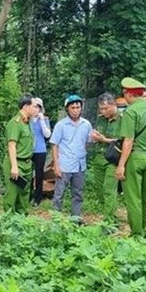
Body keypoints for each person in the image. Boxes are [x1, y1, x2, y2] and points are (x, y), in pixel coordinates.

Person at [114, 78, 146, 237]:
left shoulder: (131, 112)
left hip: (135, 157)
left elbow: (128, 141)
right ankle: (145, 228)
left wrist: (121, 165)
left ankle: (136, 234)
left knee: (133, 197)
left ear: (129, 94)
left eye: (124, 94)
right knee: (145, 195)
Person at [50, 94, 92, 223]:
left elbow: (88, 141)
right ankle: (56, 219)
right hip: (64, 165)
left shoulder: (86, 124)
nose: (75, 110)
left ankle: (75, 219)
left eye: (78, 107)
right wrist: (56, 165)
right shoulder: (61, 125)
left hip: (80, 165)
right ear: (67, 109)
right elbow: (54, 145)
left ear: (81, 108)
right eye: (72, 108)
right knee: (59, 194)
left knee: (78, 193)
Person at [90, 93, 123, 228]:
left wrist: (104, 140)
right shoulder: (100, 119)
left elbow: (123, 141)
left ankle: (108, 222)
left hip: (113, 159)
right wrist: (95, 137)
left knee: (109, 189)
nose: (103, 111)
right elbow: (98, 135)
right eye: (101, 109)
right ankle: (110, 215)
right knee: (100, 190)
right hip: (99, 157)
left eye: (106, 108)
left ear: (114, 104)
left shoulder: (123, 119)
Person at [3, 94, 38, 214]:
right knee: (12, 194)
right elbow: (11, 145)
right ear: (25, 106)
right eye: (34, 106)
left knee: (24, 195)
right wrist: (14, 166)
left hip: (27, 164)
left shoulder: (27, 123)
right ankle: (8, 221)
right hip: (16, 163)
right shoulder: (15, 123)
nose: (36, 109)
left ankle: (21, 219)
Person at [29, 97, 51, 206]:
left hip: (40, 150)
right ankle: (27, 196)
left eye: (38, 107)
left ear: (41, 109)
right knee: (28, 173)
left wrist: (42, 120)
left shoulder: (44, 119)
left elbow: (47, 135)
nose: (36, 109)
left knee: (39, 174)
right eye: (34, 106)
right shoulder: (27, 119)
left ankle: (38, 198)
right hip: (28, 150)